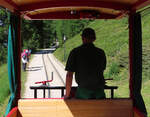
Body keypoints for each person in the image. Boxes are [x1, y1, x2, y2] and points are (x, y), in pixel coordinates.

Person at [64, 28, 106, 99]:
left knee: (82, 109)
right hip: (99, 92)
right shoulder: (101, 52)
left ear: (82, 38)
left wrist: (67, 95)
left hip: (83, 93)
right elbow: (101, 70)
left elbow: (69, 75)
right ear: (94, 39)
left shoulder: (75, 52)